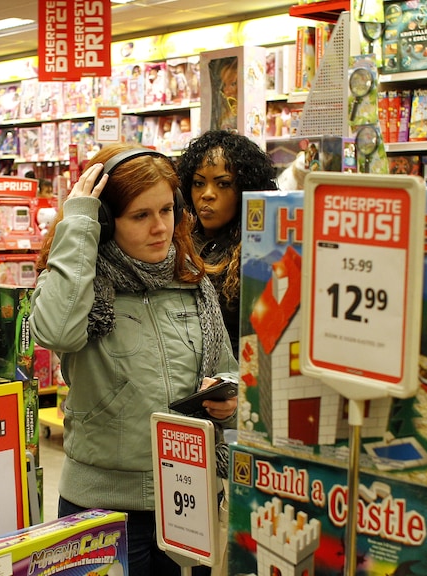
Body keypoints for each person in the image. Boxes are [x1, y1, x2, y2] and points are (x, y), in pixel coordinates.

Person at [30, 143, 238, 575]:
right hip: (101, 510)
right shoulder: (78, 284)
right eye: (140, 216)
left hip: (186, 502)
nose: (160, 228)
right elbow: (54, 331)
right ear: (106, 222)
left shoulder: (192, 282)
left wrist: (227, 399)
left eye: (166, 210)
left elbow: (227, 368)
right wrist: (79, 222)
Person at [177, 130, 278, 357]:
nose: (207, 194)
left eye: (223, 184)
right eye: (198, 183)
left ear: (245, 188)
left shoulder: (259, 251)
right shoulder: (178, 240)